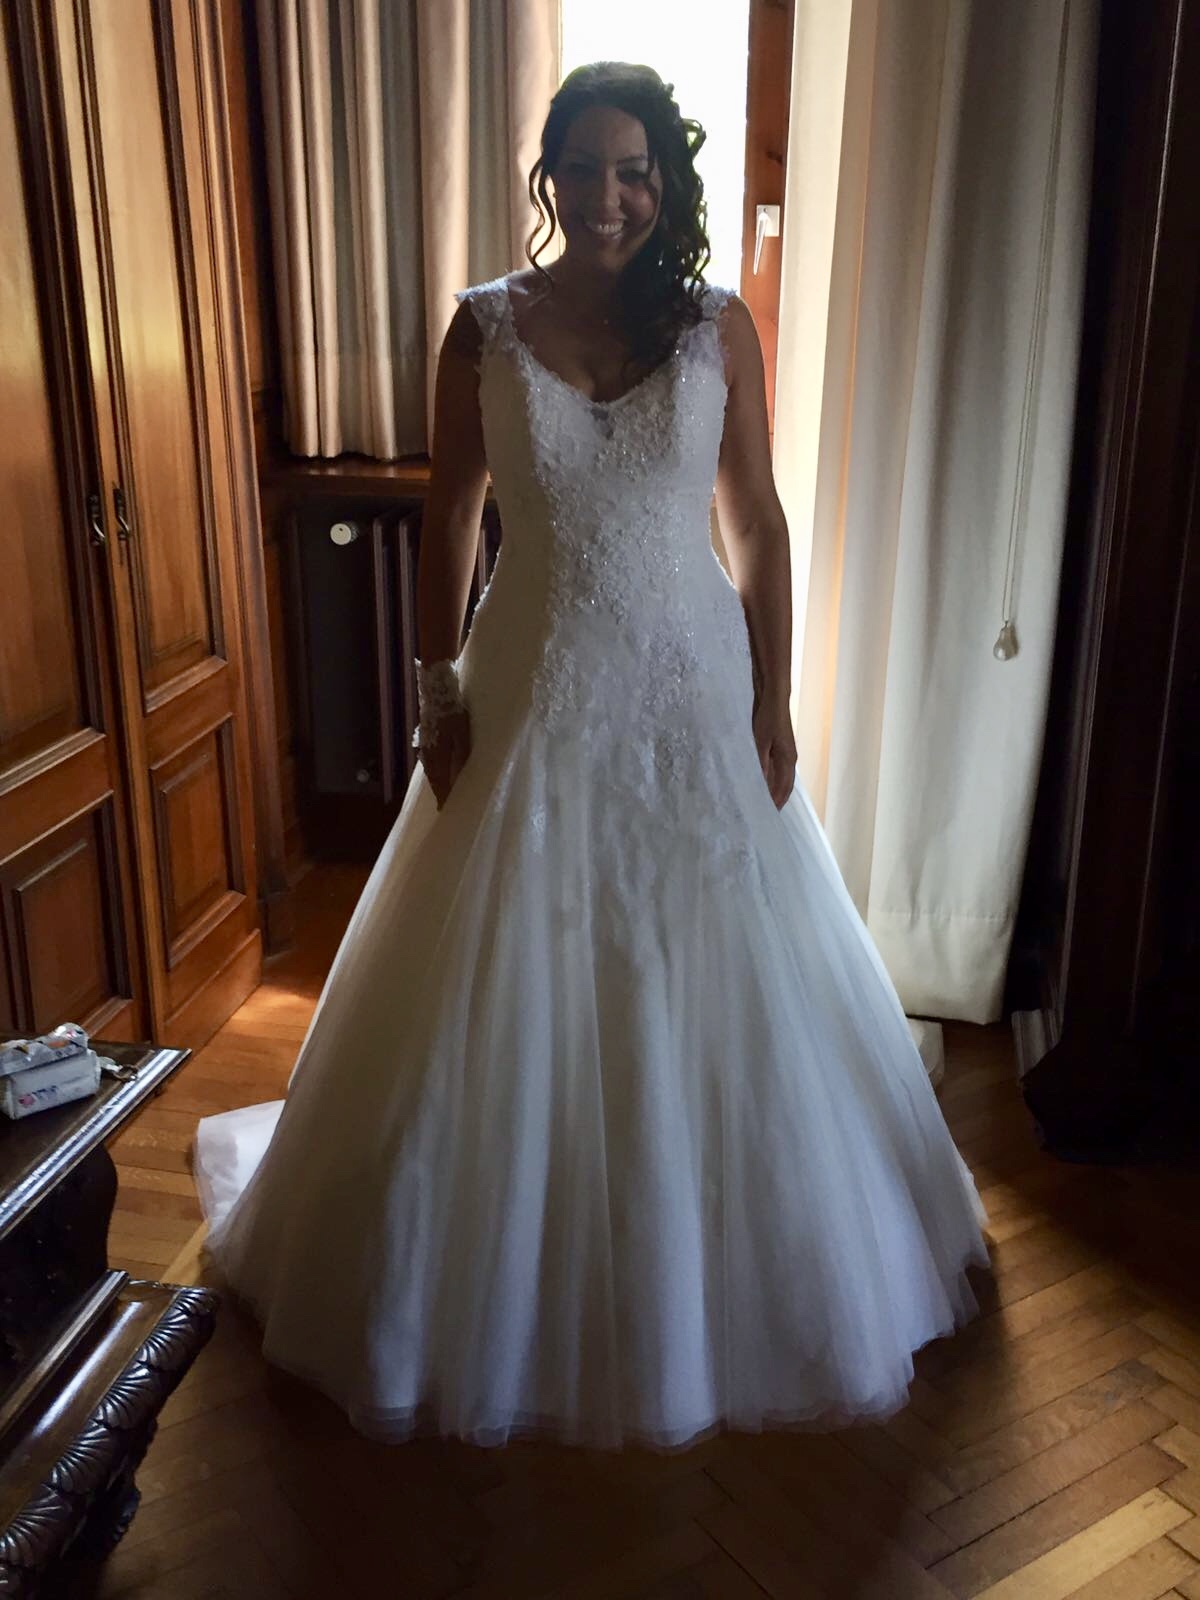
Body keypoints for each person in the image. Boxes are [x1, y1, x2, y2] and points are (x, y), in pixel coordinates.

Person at [193, 61, 991, 1454]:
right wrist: (434, 687)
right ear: (548, 176)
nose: (611, 195)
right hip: (531, 680)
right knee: (508, 965)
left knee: (714, 956)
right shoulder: (484, 328)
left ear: (664, 179)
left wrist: (776, 698)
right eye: (585, 167)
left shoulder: (716, 325)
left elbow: (758, 521)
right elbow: (452, 515)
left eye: (636, 170)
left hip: (693, 683)